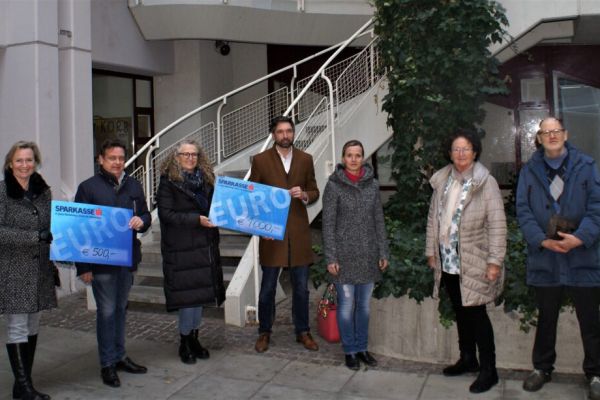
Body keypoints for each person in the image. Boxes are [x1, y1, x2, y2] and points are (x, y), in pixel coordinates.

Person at [516, 117, 600, 399]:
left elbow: (597, 208)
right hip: (546, 259)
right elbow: (523, 210)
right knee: (546, 318)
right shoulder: (529, 171)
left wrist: (581, 237)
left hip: (582, 256)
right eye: (545, 132)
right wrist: (541, 240)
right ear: (538, 138)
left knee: (590, 321)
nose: (551, 136)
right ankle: (542, 368)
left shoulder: (586, 166)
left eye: (556, 131)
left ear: (565, 134)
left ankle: (596, 373)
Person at [426, 129, 506, 393]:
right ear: (449, 153)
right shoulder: (442, 180)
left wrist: (494, 261)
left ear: (475, 152)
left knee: (477, 315)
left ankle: (489, 370)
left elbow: (497, 224)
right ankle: (468, 359)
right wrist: (431, 252)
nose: (460, 154)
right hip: (448, 258)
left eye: (466, 149)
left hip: (475, 259)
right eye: (455, 149)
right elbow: (433, 219)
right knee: (461, 311)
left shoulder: (485, 182)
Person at [75, 139, 151, 388]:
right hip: (101, 263)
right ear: (101, 159)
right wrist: (83, 267)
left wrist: (142, 220)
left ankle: (120, 356)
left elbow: (146, 214)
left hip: (126, 260)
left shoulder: (133, 184)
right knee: (106, 313)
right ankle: (107, 363)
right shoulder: (88, 188)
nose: (117, 162)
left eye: (120, 158)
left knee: (120, 310)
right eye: (112, 158)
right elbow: (78, 229)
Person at [249, 115, 320, 353]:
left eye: (289, 131)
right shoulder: (260, 160)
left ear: (293, 133)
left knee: (301, 287)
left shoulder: (305, 159)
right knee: (268, 287)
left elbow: (315, 189)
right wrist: (261, 228)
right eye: (280, 131)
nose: (285, 135)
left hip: (299, 233)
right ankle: (264, 332)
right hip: (271, 234)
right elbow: (253, 198)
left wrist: (306, 194)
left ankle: (303, 331)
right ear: (273, 134)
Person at [322, 140, 389, 370]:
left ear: (363, 158)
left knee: (364, 307)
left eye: (358, 155)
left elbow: (378, 220)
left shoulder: (373, 185)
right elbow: (328, 225)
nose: (353, 159)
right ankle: (349, 350)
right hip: (343, 258)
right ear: (343, 158)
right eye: (349, 155)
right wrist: (331, 257)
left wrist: (383, 250)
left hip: (369, 255)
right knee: (346, 305)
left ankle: (362, 348)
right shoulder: (333, 187)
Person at [157, 139, 225, 365]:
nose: (190, 158)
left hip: (204, 246)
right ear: (176, 157)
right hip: (181, 248)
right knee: (188, 299)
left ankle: (195, 338)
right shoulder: (168, 182)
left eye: (194, 154)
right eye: (185, 154)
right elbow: (166, 214)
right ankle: (184, 341)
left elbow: (217, 206)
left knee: (200, 297)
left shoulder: (206, 180)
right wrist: (196, 219)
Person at [1, 141, 57, 400]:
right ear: (10, 164)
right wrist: (35, 236)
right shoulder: (2, 191)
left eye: (29, 160)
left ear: (36, 162)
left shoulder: (43, 191)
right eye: (19, 160)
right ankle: (24, 387)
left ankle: (23, 383)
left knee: (33, 326)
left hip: (40, 269)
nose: (25, 165)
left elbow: (53, 225)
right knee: (17, 327)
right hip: (13, 269)